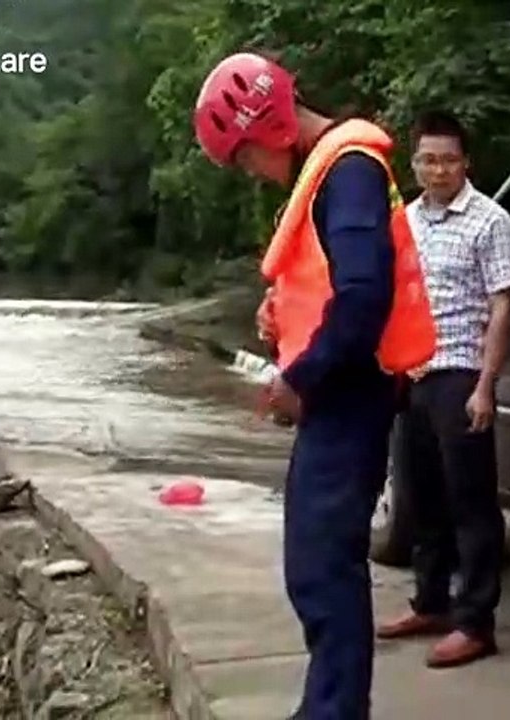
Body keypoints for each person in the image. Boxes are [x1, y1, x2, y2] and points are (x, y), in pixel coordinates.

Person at [193, 52, 437, 719]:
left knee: (326, 565)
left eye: (246, 158)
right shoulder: (336, 169)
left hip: (347, 394)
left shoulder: (348, 169)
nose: (253, 173)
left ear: (266, 125)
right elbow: (332, 282)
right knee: (316, 561)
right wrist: (284, 318)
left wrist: (301, 377)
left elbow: (362, 297)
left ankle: (333, 712)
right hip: (341, 389)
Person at [374, 110, 510, 668]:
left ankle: (476, 621)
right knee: (422, 498)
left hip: (461, 375)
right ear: (414, 164)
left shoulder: (490, 222)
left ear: (467, 163)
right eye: (428, 160)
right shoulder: (403, 222)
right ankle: (430, 602)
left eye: (449, 160)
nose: (438, 170)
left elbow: (503, 306)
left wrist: (487, 385)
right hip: (411, 376)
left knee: (472, 505)